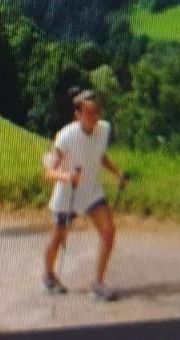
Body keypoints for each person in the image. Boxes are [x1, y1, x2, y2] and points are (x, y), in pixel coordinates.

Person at [42, 89, 126, 301]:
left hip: (91, 190)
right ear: (77, 114)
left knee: (109, 232)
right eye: (89, 113)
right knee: (58, 237)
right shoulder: (66, 136)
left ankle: (98, 283)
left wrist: (117, 173)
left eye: (97, 112)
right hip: (67, 193)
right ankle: (48, 275)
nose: (94, 117)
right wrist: (67, 176)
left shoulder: (103, 129)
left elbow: (99, 155)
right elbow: (49, 172)